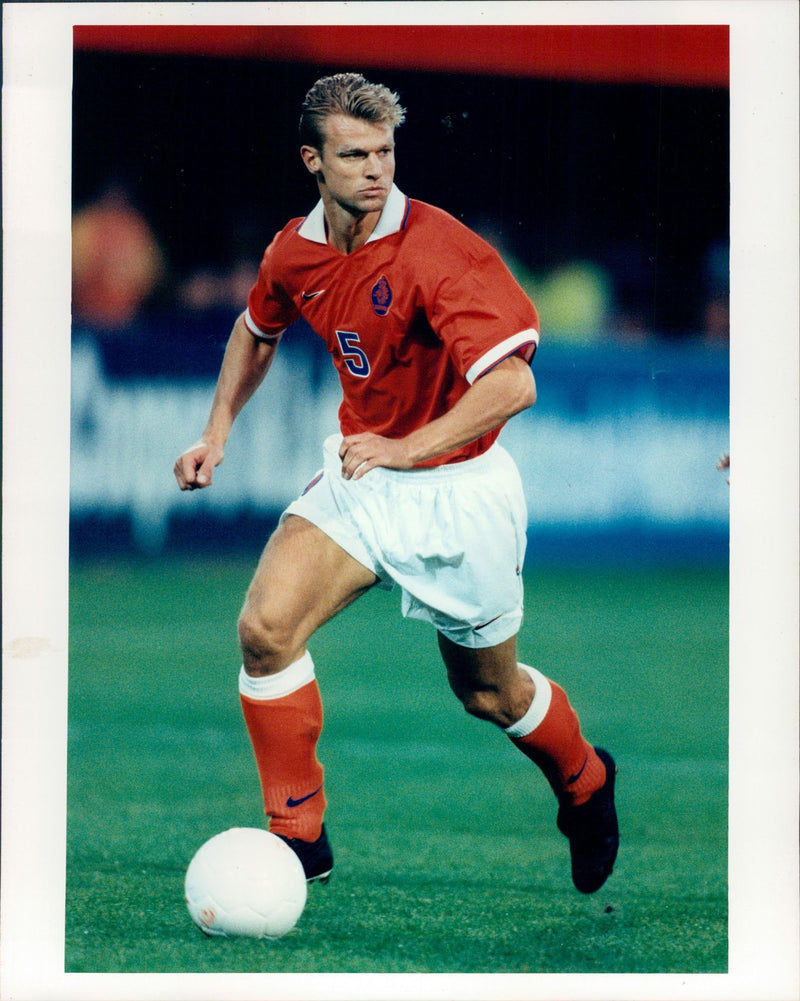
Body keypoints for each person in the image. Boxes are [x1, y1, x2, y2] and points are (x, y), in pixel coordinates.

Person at [174, 73, 618, 894]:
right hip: (362, 475)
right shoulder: (294, 251)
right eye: (354, 155)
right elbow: (255, 329)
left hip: (458, 488)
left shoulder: (440, 250)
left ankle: (586, 779)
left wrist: (409, 448)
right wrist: (215, 434)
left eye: (384, 152)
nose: (374, 170)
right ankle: (298, 838)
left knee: (488, 692)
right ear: (313, 160)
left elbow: (514, 385)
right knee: (265, 629)